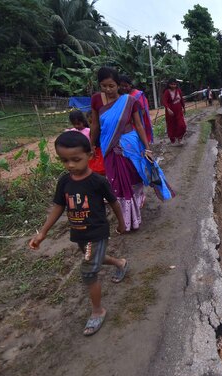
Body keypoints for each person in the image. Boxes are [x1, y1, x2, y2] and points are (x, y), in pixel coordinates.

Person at [29, 131, 129, 336]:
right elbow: (58, 207)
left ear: (90, 155)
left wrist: (122, 223)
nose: (70, 165)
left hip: (96, 232)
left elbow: (114, 203)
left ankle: (97, 311)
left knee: (89, 271)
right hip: (79, 234)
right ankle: (120, 263)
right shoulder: (64, 182)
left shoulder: (98, 182)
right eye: (64, 160)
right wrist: (43, 233)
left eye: (76, 159)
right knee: (95, 258)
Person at [90, 67, 174, 231]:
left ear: (118, 85)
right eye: (104, 86)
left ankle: (132, 218)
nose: (108, 90)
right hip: (108, 147)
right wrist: (92, 144)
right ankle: (126, 219)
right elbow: (95, 124)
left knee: (132, 179)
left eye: (112, 86)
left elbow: (139, 125)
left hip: (129, 146)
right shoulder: (96, 100)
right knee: (116, 182)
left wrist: (147, 148)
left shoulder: (129, 101)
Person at [65, 110, 105, 176]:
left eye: (78, 123)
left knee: (98, 169)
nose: (76, 126)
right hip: (84, 155)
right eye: (74, 124)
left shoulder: (89, 131)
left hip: (94, 153)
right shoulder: (74, 131)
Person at [119, 75, 154, 143]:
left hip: (138, 122)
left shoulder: (137, 95)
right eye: (121, 86)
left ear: (130, 85)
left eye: (126, 86)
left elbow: (143, 109)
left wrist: (133, 119)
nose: (124, 88)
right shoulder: (121, 96)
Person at [162, 79, 187, 146]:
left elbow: (181, 99)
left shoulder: (178, 90)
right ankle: (173, 139)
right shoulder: (167, 92)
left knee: (182, 125)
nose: (173, 86)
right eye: (172, 84)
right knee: (172, 125)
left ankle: (180, 138)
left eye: (175, 84)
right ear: (169, 84)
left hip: (179, 110)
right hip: (171, 112)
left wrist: (184, 107)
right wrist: (168, 109)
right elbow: (164, 101)